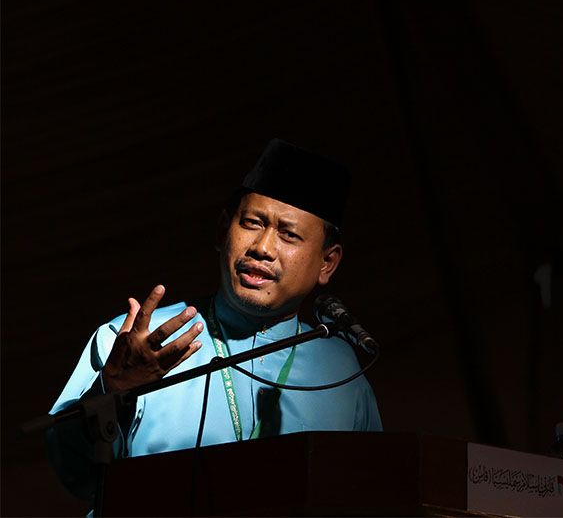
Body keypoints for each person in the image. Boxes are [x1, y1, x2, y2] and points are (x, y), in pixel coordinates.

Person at [46, 139, 382, 501]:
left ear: (326, 264)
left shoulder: (342, 371)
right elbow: (73, 474)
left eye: (289, 234)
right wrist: (111, 392)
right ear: (223, 231)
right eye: (252, 223)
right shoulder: (132, 341)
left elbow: (373, 494)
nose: (262, 248)